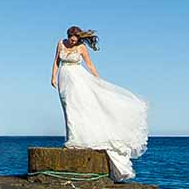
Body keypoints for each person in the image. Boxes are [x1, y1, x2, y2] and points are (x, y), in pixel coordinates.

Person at [50, 25, 149, 180]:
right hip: (64, 77)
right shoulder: (60, 43)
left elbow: (89, 65)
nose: (73, 41)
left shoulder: (82, 48)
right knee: (66, 106)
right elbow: (56, 60)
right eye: (71, 39)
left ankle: (74, 140)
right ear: (68, 36)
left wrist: (98, 81)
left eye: (76, 39)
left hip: (77, 79)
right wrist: (53, 76)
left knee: (74, 108)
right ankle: (72, 137)